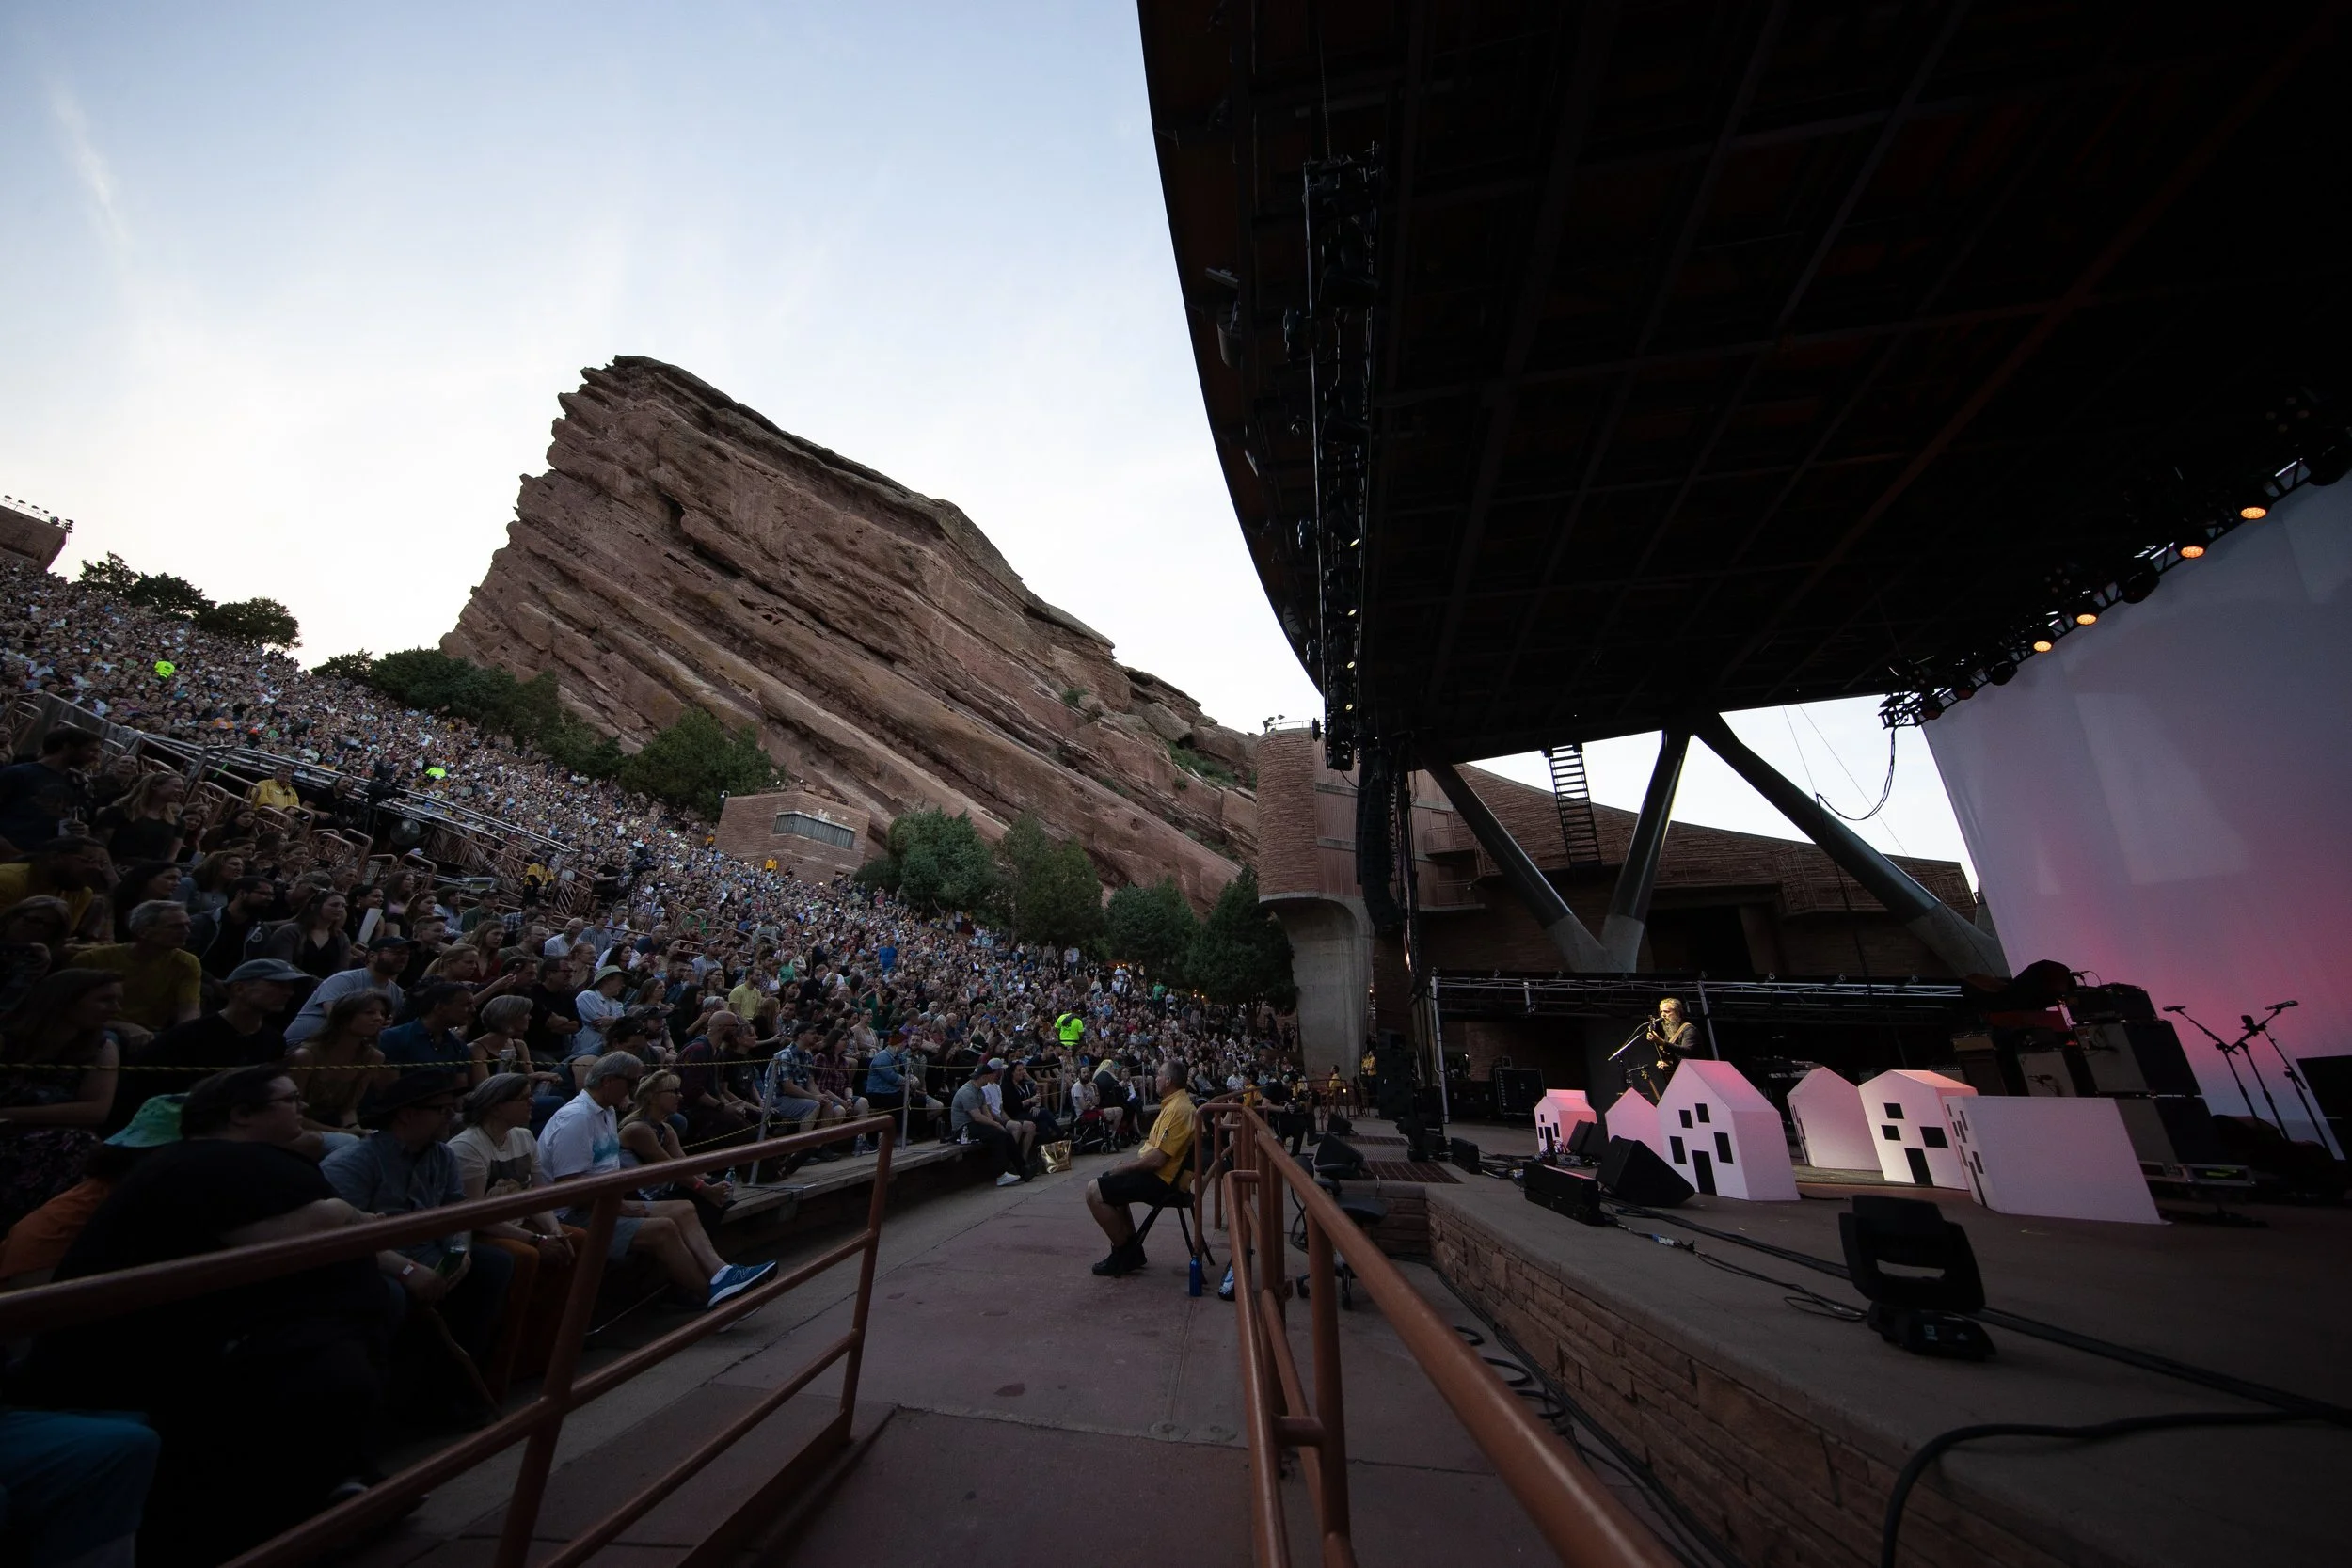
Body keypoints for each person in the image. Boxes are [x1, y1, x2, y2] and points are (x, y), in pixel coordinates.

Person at [22, 1063, 387, 1567]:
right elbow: (291, 1234)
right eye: (289, 1100)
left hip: (189, 1334)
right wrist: (344, 1213)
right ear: (240, 1114)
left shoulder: (208, 1161)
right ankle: (311, 1512)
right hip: (139, 1356)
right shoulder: (216, 1162)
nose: (302, 1108)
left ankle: (335, 1491)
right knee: (325, 1370)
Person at [538, 1052, 774, 1309]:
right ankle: (717, 1301)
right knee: (663, 1229)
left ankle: (722, 1273)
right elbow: (571, 1189)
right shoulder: (576, 1118)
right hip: (575, 1214)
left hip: (605, 1202)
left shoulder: (606, 1112)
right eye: (630, 1082)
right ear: (608, 1081)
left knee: (683, 1208)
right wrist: (622, 1207)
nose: (633, 1090)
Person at [322, 1069, 515, 1377]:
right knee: (390, 1294)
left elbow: (457, 1210)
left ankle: (459, 1377)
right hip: (381, 1262)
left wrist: (459, 1252)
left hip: (431, 1253)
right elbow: (342, 1238)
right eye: (442, 1109)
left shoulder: (442, 1155)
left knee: (495, 1263)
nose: (452, 1116)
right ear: (407, 1115)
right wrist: (407, 1270)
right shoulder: (353, 1163)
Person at [449, 1072, 579, 1397]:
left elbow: (536, 1195)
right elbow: (475, 1215)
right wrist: (536, 1240)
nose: (532, 1102)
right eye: (523, 1097)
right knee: (525, 1257)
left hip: (522, 1220)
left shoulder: (523, 1136)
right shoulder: (467, 1146)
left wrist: (553, 1230)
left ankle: (548, 1352)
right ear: (496, 1106)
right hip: (488, 1229)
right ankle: (503, 1367)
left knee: (576, 1240)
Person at [0, 970, 124, 1230]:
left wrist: (10, 1113)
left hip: (48, 1138)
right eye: (105, 1000)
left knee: (81, 1145)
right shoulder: (7, 1038)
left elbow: (95, 1110)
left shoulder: (102, 1048)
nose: (116, 1009)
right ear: (66, 999)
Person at [122, 956, 308, 1125]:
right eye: (277, 985)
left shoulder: (273, 1041)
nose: (289, 993)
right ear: (239, 989)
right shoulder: (187, 1036)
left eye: (290, 987)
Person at [1085, 1058, 1197, 1276]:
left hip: (1162, 1181)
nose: (1156, 1078)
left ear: (1168, 1081)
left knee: (1093, 1191)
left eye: (1159, 1074)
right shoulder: (1177, 1104)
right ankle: (1131, 1249)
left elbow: (1157, 1161)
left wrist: (1125, 1168)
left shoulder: (1178, 1110)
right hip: (1162, 1176)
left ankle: (1124, 1252)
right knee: (1110, 1181)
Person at [76, 899, 202, 1034]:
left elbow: (189, 1009)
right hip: (100, 1028)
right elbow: (73, 1009)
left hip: (152, 1033)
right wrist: (123, 1026)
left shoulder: (186, 962)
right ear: (143, 932)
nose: (186, 931)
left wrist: (185, 1034)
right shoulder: (92, 959)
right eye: (176, 927)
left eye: (188, 925)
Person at [288, 989, 394, 1135]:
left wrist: (354, 1128)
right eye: (369, 1012)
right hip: (296, 1128)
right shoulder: (307, 1055)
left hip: (336, 1128)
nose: (379, 1018)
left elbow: (349, 1108)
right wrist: (341, 1133)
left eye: (382, 1013)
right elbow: (291, 1112)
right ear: (344, 1016)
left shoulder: (374, 1057)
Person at [284, 934, 410, 1045]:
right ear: (372, 956)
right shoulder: (344, 980)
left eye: (407, 953)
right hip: (303, 1044)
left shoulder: (396, 993)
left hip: (343, 1049)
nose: (403, 957)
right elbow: (337, 1018)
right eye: (396, 952)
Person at [0, 726, 102, 855]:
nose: (96, 758)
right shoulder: (17, 774)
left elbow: (66, 825)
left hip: (42, 860)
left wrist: (82, 830)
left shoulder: (77, 783)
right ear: (68, 747)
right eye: (92, 750)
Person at [0, 837, 112, 943]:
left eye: (102, 864)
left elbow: (61, 937)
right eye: (89, 860)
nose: (97, 868)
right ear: (54, 858)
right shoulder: (6, 880)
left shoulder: (83, 893)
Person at [951, 1058, 1025, 1188]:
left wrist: (996, 1125)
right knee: (998, 1136)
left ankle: (1022, 1169)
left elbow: (986, 1112)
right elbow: (977, 1116)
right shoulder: (967, 1092)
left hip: (975, 1125)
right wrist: (996, 1125)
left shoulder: (980, 1091)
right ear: (985, 1077)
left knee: (1006, 1135)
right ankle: (1000, 1174)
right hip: (964, 1128)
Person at [186, 874, 274, 979]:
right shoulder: (203, 922)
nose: (270, 899)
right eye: (263, 893)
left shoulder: (261, 931)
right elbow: (186, 959)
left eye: (271, 895)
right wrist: (212, 981)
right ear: (241, 893)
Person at [378, 980, 477, 1073]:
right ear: (439, 1007)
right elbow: (388, 1084)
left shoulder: (458, 1047)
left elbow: (460, 1084)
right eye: (466, 1005)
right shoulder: (393, 1038)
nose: (473, 1010)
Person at [93, 770, 188, 865]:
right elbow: (99, 845)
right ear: (154, 786)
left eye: (182, 788)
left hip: (150, 872)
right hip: (114, 867)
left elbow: (171, 857)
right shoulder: (118, 812)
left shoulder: (177, 823)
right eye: (177, 786)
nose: (182, 791)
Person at [573, 964, 629, 1054]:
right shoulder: (587, 996)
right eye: (620, 981)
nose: (623, 985)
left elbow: (625, 1028)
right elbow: (601, 1025)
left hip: (609, 1051)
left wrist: (615, 1021)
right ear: (606, 980)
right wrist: (619, 1022)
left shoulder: (617, 1004)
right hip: (587, 1050)